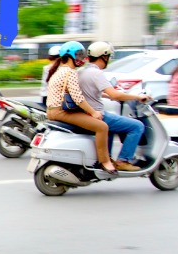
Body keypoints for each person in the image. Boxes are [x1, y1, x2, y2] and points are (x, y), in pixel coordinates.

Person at [45, 41, 117, 175]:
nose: (81, 59)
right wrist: (93, 112)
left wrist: (104, 95)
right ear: (71, 56)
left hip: (52, 111)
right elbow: (78, 98)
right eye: (78, 55)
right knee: (102, 127)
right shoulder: (70, 72)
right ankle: (105, 162)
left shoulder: (60, 70)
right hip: (61, 112)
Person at [79, 42, 152, 171]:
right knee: (137, 126)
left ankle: (108, 158)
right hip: (96, 115)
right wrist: (137, 97)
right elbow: (114, 95)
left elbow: (93, 93)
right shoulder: (96, 73)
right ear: (104, 57)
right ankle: (123, 160)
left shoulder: (83, 71)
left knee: (113, 124)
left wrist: (110, 95)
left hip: (85, 114)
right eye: (109, 57)